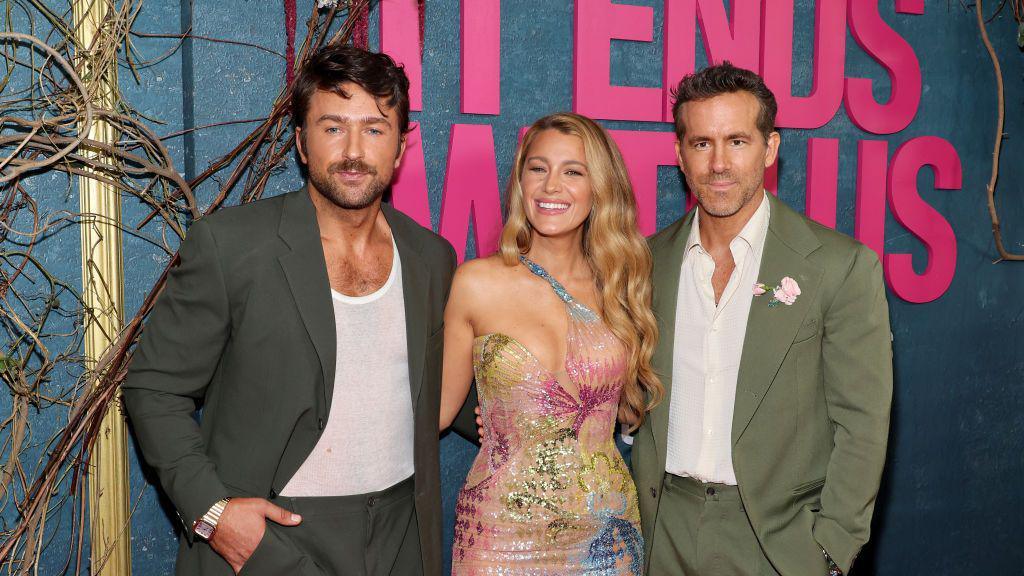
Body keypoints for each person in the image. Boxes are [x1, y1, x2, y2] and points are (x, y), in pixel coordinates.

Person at [123, 45, 456, 576]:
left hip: (400, 536)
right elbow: (153, 387)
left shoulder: (432, 259)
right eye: (332, 128)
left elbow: (454, 389)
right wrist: (214, 512)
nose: (353, 150)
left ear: (399, 149)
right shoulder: (231, 245)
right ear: (302, 141)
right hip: (272, 537)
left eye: (374, 128)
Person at [631, 62, 893, 576]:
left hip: (778, 539)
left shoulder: (838, 266)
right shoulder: (645, 262)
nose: (719, 164)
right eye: (702, 144)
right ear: (680, 154)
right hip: (663, 530)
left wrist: (829, 551)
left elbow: (862, 425)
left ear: (770, 148)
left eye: (738, 141)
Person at [439, 112, 663, 575]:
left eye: (573, 171)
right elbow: (436, 410)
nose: (551, 186)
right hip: (500, 530)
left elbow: (625, 410)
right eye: (538, 168)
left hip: (605, 533)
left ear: (599, 187)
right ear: (521, 181)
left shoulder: (620, 288)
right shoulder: (477, 282)